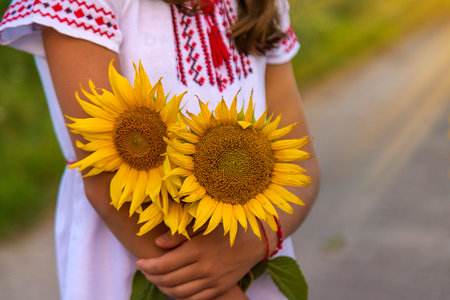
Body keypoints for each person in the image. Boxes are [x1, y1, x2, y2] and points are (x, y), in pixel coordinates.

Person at [0, 0, 320, 299]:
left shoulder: (259, 5)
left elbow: (302, 166)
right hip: (135, 244)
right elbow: (104, 177)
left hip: (251, 243)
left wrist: (257, 240)